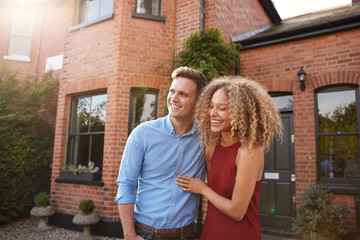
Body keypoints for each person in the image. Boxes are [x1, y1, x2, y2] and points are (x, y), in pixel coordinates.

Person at [176, 76, 282, 240]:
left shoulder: (249, 150)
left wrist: (203, 189)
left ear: (242, 113)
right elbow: (216, 189)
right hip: (210, 232)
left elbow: (237, 211)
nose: (213, 113)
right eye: (211, 106)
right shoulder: (211, 145)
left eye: (222, 108)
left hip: (239, 234)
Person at [115, 67, 207, 240]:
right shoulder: (142, 133)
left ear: (198, 101)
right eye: (172, 91)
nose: (174, 99)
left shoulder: (205, 138)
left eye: (183, 94)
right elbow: (126, 185)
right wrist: (129, 235)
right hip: (145, 234)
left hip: (186, 235)